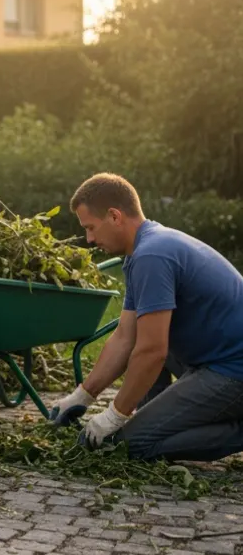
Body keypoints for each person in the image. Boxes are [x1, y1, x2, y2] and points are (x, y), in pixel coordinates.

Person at [49, 173, 243, 461]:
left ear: (114, 216)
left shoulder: (152, 256)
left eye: (90, 228)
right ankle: (159, 416)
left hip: (233, 369)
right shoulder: (141, 252)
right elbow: (126, 338)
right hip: (214, 357)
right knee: (143, 341)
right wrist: (83, 396)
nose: (89, 239)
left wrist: (115, 415)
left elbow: (153, 351)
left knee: (128, 446)